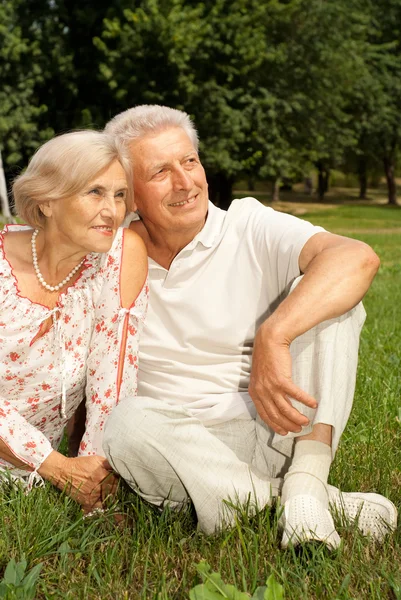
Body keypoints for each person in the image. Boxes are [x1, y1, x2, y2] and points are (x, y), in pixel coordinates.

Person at [102, 105, 397, 548]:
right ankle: (303, 501)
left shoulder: (247, 223)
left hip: (277, 428)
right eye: (160, 171)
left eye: (189, 161)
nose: (185, 182)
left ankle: (304, 478)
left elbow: (356, 257)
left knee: (335, 306)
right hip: (179, 449)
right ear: (130, 194)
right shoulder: (111, 252)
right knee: (123, 423)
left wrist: (273, 334)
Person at [0, 130, 148, 514]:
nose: (113, 211)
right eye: (95, 192)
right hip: (43, 464)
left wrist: (94, 475)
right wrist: (58, 468)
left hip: (36, 472)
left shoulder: (119, 254)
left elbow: (112, 378)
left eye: (119, 195)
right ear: (47, 201)